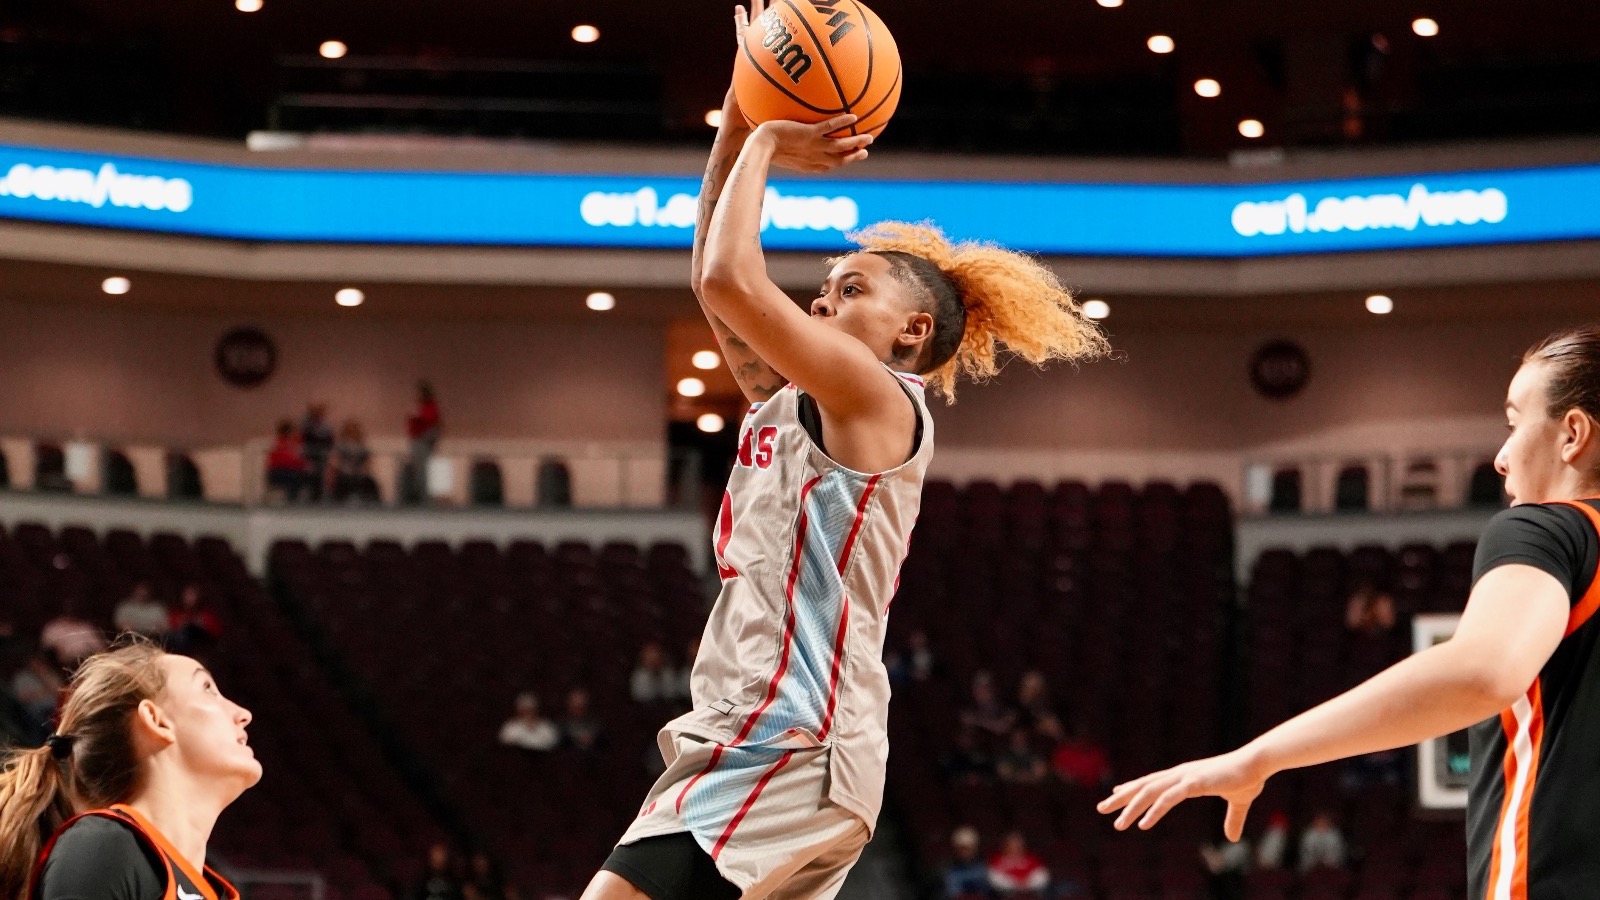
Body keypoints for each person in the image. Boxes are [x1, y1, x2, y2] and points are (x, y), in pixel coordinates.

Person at [582, 7, 1105, 898]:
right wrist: (741, 111)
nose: (821, 303)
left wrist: (770, 139)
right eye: (821, 290)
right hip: (783, 738)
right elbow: (713, 271)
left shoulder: (875, 398)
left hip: (784, 737)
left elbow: (726, 276)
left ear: (913, 330)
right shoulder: (807, 403)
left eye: (849, 287)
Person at [1097, 327, 1600, 900]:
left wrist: (1258, 756)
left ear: (1572, 433)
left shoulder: (1549, 528)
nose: (1501, 457)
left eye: (1513, 424)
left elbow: (1483, 672)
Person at [0, 641, 259, 900]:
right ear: (156, 721)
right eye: (207, 688)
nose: (243, 714)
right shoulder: (104, 849)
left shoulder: (216, 891)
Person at [403, 381, 442, 505]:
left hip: (423, 442)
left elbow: (431, 423)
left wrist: (417, 415)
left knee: (424, 472)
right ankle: (419, 498)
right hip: (416, 441)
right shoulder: (419, 407)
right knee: (418, 472)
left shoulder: (430, 407)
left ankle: (426, 500)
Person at [10, 652, 65, 737]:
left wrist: (43, 677)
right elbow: (22, 697)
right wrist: (41, 693)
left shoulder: (47, 674)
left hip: (53, 706)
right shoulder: (22, 678)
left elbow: (59, 690)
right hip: (35, 709)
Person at [39, 602, 106, 670]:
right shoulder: (53, 628)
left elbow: (101, 651)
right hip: (60, 667)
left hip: (87, 665)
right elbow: (45, 652)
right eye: (68, 609)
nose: (70, 612)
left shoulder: (86, 628)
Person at [329, 419, 381, 503]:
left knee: (370, 481)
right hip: (344, 471)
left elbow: (368, 460)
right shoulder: (341, 445)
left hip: (359, 471)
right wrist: (344, 468)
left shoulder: (362, 445)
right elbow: (334, 460)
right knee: (343, 480)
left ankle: (373, 502)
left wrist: (364, 469)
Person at [986, 832, 1049, 898]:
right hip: (1006, 893)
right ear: (1005, 847)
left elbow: (1042, 876)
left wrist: (1027, 885)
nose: (1015, 849)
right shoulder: (997, 860)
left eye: (1018, 846)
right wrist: (1016, 885)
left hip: (1031, 892)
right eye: (1012, 846)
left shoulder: (1032, 859)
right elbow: (995, 879)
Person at [960, 672, 1016, 741]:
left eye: (986, 688)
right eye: (978, 689)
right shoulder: (969, 709)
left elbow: (1002, 728)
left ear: (994, 689)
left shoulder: (1007, 708)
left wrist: (976, 721)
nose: (983, 692)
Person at [167, 585, 223, 656]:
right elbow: (171, 629)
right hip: (181, 648)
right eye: (187, 595)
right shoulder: (176, 613)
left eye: (192, 595)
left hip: (203, 646)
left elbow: (216, 633)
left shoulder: (206, 614)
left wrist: (200, 624)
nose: (189, 598)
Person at [265, 420, 309, 502]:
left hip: (292, 470)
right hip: (279, 471)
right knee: (295, 477)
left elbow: (300, 460)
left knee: (309, 474)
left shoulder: (295, 444)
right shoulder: (278, 443)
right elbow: (284, 460)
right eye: (293, 431)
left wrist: (304, 465)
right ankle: (291, 500)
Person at [943, 826, 991, 899]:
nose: (964, 852)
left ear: (975, 847)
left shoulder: (985, 867)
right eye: (961, 848)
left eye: (967, 848)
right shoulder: (947, 869)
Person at [300, 403, 335, 502]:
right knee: (309, 473)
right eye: (314, 412)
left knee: (320, 474)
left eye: (319, 412)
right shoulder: (306, 424)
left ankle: (319, 496)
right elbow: (304, 438)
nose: (316, 414)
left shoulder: (326, 426)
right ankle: (309, 496)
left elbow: (330, 441)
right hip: (309, 454)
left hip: (322, 454)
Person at [562, 688, 601, 752]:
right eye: (575, 705)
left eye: (581, 705)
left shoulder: (595, 723)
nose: (578, 708)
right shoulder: (562, 724)